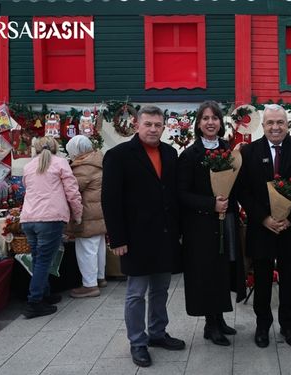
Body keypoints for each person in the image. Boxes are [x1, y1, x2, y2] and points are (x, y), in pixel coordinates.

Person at [101, 105, 184, 368]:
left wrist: (180, 232)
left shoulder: (170, 153)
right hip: (135, 238)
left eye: (158, 125)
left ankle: (157, 333)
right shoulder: (118, 155)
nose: (153, 129)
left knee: (161, 289)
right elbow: (110, 200)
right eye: (148, 124)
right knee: (136, 293)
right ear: (137, 125)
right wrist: (118, 238)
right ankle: (138, 342)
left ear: (163, 127)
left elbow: (173, 196)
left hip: (165, 236)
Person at [236, 104, 291, 349]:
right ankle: (262, 325)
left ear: (287, 123)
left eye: (280, 122)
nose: (275, 127)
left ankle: (288, 326)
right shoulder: (249, 152)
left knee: (290, 281)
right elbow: (243, 191)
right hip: (262, 228)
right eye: (270, 123)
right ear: (263, 125)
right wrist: (264, 218)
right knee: (261, 280)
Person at [176, 101, 246, 346]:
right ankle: (210, 324)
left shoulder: (228, 150)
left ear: (220, 122)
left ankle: (220, 318)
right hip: (201, 225)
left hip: (226, 220)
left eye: (214, 118)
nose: (210, 122)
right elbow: (182, 194)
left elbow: (236, 183)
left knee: (223, 269)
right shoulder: (189, 155)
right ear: (198, 123)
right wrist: (210, 204)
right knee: (207, 272)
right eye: (205, 118)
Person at [20, 136, 82, 319]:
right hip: (50, 218)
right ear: (56, 147)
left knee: (38, 258)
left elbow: (28, 189)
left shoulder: (28, 166)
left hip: (28, 218)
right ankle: (34, 302)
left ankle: (45, 294)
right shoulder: (61, 163)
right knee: (44, 261)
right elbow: (72, 192)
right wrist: (77, 214)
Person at [65, 135, 107, 298]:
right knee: (98, 246)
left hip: (87, 213)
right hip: (99, 211)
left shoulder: (84, 167)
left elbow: (72, 189)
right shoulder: (98, 160)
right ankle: (100, 278)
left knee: (86, 249)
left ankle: (90, 285)